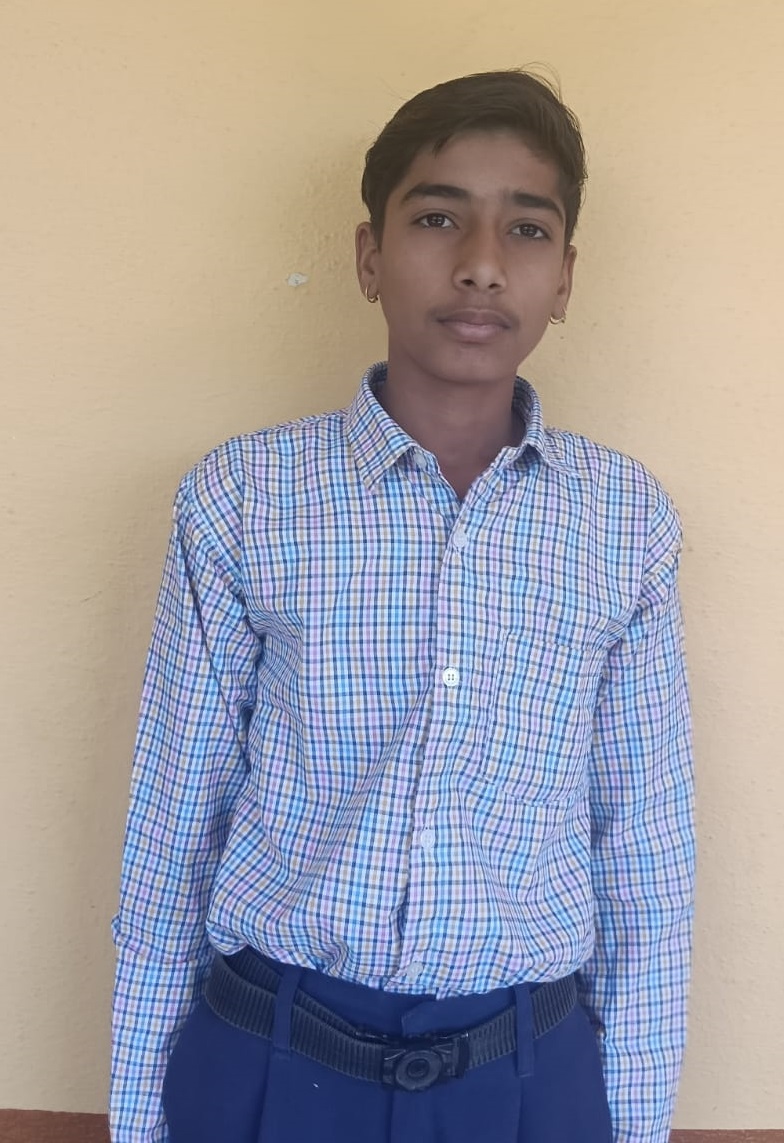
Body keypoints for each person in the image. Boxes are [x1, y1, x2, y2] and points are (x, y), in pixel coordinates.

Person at [110, 69, 695, 1143]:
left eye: (526, 229)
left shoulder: (624, 520)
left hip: (526, 1077)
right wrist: (138, 1113)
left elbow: (645, 846)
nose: (480, 263)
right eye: (436, 218)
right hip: (271, 1060)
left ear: (564, 277)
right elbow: (174, 821)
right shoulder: (244, 496)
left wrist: (637, 1117)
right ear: (369, 256)